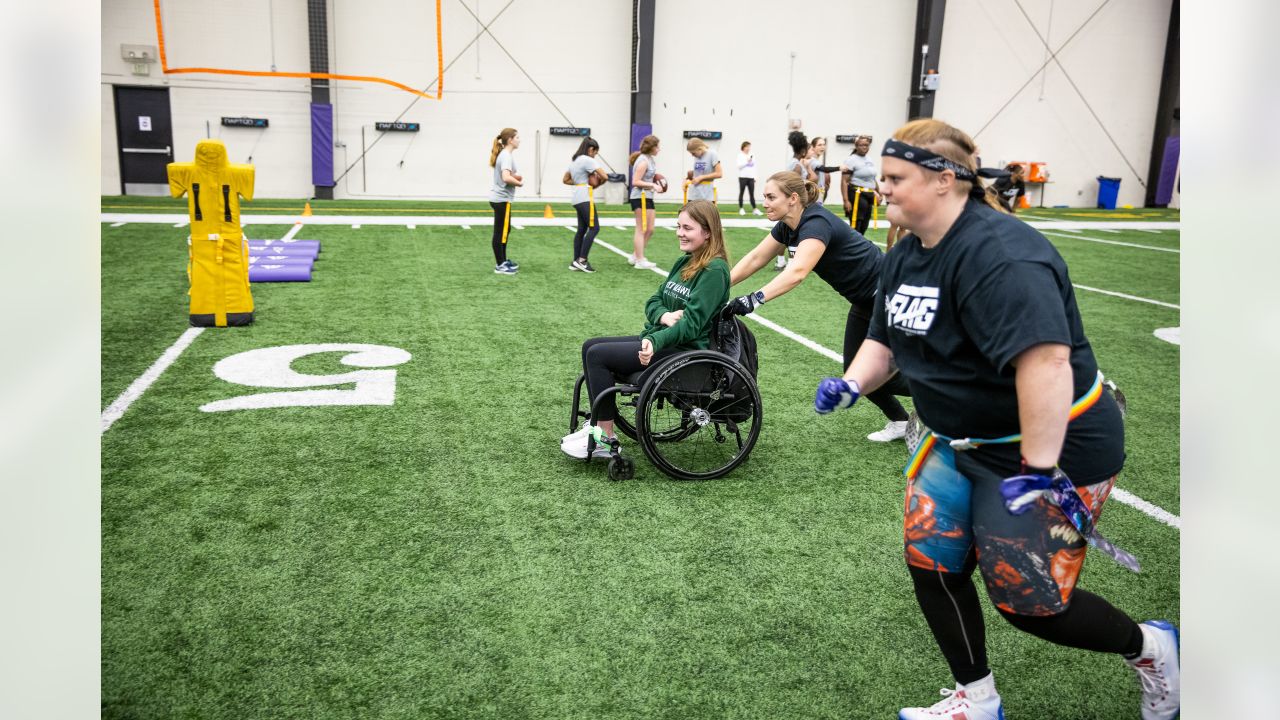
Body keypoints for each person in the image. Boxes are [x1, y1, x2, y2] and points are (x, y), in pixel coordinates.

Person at [814, 119, 1179, 720]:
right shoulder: (907, 252)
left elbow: (1046, 365)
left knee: (1029, 604)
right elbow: (884, 339)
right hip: (957, 442)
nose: (882, 189)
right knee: (931, 566)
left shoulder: (1002, 254)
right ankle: (977, 700)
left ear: (944, 181)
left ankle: (1152, 648)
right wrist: (853, 382)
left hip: (1049, 449)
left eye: (895, 178)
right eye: (881, 177)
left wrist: (1039, 467)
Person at [726, 170, 912, 442]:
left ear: (792, 199)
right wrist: (722, 285)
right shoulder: (787, 226)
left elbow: (798, 271)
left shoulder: (815, 222)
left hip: (888, 294)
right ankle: (901, 421)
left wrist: (755, 299)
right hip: (863, 299)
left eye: (770, 197)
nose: (764, 202)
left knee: (874, 372)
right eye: (763, 197)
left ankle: (943, 391)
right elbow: (756, 258)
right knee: (854, 370)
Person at [562, 200, 731, 458]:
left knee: (598, 355)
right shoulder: (685, 261)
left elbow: (691, 326)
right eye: (678, 226)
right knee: (590, 346)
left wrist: (655, 341)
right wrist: (663, 316)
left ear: (708, 232)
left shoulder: (714, 270)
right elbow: (653, 301)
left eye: (688, 228)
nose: (680, 233)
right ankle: (598, 426)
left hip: (685, 352)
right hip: (665, 340)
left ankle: (605, 437)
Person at [563, 136, 608, 272]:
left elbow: (565, 180)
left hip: (576, 197)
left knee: (582, 230)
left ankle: (576, 261)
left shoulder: (574, 161)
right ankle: (582, 260)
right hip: (585, 197)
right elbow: (605, 176)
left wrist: (580, 182)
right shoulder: (588, 160)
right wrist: (597, 183)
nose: (595, 155)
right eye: (595, 152)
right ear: (590, 149)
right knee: (594, 228)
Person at [488, 128, 523, 275]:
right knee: (500, 232)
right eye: (517, 137)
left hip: (500, 199)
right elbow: (506, 177)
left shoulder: (504, 155)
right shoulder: (506, 155)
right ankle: (500, 265)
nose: (519, 140)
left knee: (504, 230)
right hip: (501, 199)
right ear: (510, 140)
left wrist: (515, 176)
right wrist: (518, 183)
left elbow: (508, 175)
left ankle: (502, 260)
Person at [628, 134, 665, 270]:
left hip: (647, 196)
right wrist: (653, 186)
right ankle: (639, 260)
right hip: (639, 197)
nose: (659, 149)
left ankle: (635, 255)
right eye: (657, 146)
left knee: (650, 229)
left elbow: (649, 179)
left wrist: (657, 185)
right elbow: (635, 182)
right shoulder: (643, 160)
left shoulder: (650, 159)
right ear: (651, 147)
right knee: (641, 228)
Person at [841, 134, 878, 234]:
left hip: (869, 195)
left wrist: (878, 192)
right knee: (856, 225)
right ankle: (851, 248)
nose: (865, 147)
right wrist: (846, 200)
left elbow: (872, 178)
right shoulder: (851, 160)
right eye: (862, 145)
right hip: (856, 194)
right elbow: (844, 181)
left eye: (866, 145)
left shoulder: (869, 159)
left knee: (865, 225)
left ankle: (859, 247)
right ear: (856, 146)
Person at [684, 138, 722, 205]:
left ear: (700, 149)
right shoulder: (697, 156)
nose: (692, 155)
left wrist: (701, 177)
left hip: (707, 196)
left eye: (693, 153)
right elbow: (699, 173)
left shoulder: (712, 154)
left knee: (707, 215)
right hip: (694, 195)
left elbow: (719, 174)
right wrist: (686, 179)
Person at [737, 141, 762, 215]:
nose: (748, 148)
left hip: (751, 177)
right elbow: (739, 166)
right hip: (743, 177)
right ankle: (741, 209)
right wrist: (746, 162)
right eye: (747, 146)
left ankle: (755, 209)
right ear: (743, 147)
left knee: (752, 194)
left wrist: (755, 176)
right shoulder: (740, 155)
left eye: (749, 147)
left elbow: (754, 167)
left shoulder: (752, 155)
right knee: (742, 193)